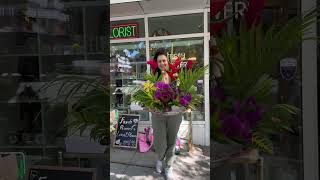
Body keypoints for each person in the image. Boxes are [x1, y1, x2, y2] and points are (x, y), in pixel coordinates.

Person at [149, 48, 182, 179]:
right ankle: (159, 159)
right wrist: (150, 105)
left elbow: (183, 92)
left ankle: (168, 167)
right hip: (158, 114)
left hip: (174, 114)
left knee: (172, 142)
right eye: (159, 61)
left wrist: (184, 104)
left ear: (167, 61)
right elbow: (148, 95)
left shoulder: (175, 75)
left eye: (164, 60)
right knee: (160, 141)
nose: (162, 63)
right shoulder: (153, 77)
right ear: (156, 63)